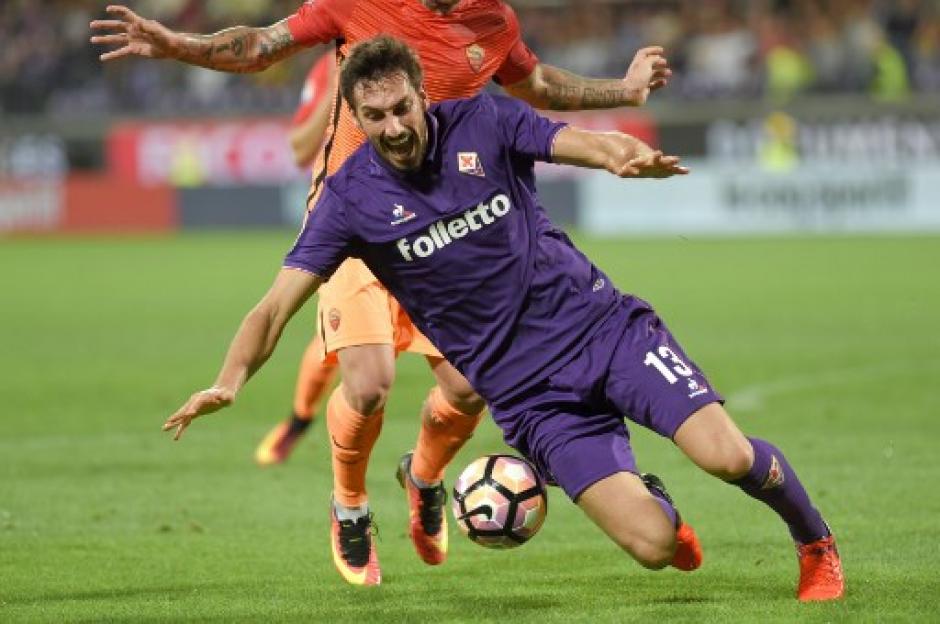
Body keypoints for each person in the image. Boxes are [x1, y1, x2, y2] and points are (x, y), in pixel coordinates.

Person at [162, 36, 845, 601]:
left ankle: (815, 543)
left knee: (725, 456)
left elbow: (580, 139)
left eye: (403, 107)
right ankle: (653, 500)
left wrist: (623, 156)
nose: (395, 126)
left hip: (604, 332)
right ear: (356, 121)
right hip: (530, 398)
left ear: (422, 94)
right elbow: (273, 306)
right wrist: (229, 380)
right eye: (376, 118)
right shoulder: (349, 200)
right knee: (655, 546)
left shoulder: (484, 123)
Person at [91, 0, 674, 586]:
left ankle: (422, 479)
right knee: (369, 385)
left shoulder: (492, 21)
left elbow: (539, 83)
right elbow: (262, 44)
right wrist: (177, 47)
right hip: (359, 224)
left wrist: (624, 89)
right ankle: (349, 504)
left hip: (449, 224)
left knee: (470, 387)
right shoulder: (356, 4)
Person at [254, 52, 341, 466]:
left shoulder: (431, 46)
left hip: (434, 225)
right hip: (359, 221)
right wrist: (339, 84)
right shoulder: (330, 66)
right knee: (336, 344)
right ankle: (299, 422)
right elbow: (301, 147)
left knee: (462, 369)